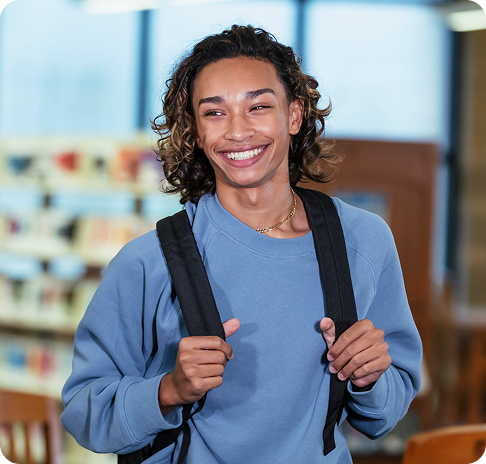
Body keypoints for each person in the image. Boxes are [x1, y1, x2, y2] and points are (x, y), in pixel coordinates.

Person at [61, 25, 422, 463]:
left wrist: (369, 378)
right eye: (214, 113)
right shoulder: (148, 262)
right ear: (194, 131)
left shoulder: (363, 241)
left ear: (294, 115)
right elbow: (84, 411)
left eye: (258, 106)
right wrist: (168, 390)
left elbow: (385, 412)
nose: (237, 131)